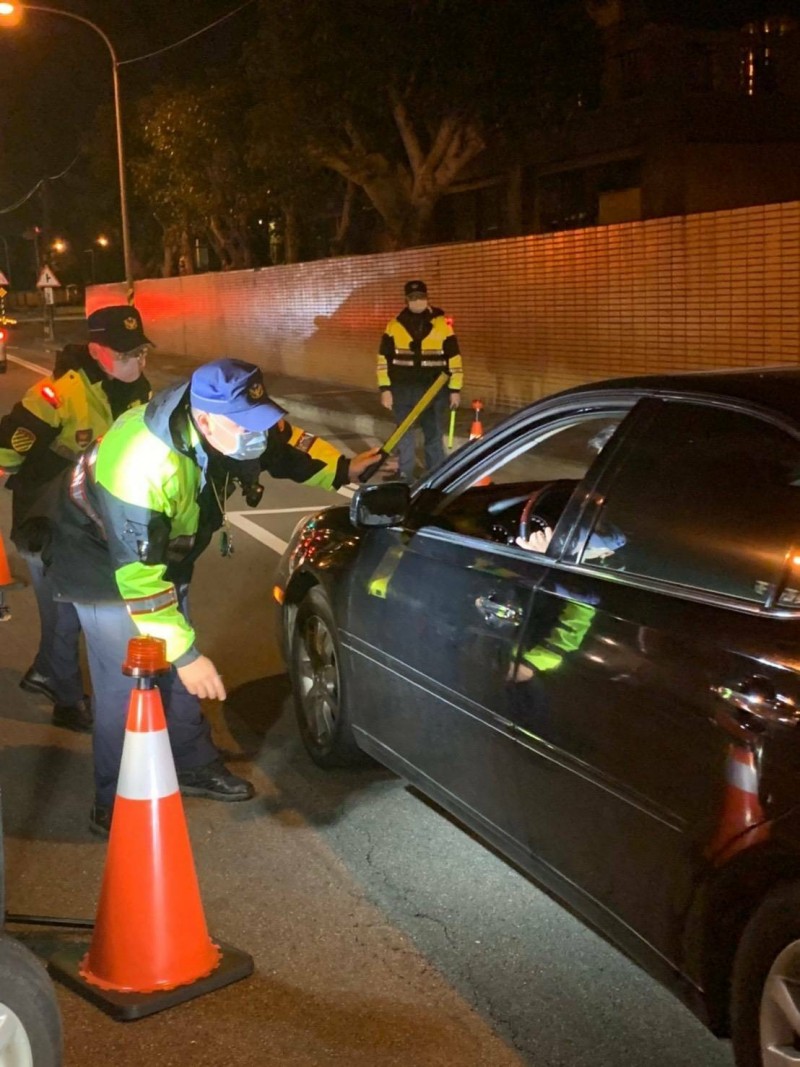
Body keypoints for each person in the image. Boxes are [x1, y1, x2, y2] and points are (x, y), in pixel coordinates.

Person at [48, 357, 381, 835]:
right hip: (102, 559)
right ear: (203, 421)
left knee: (183, 655)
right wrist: (184, 655)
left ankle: (191, 763)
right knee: (131, 680)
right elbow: (139, 579)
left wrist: (346, 467)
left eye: (260, 422)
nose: (257, 436)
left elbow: (285, 446)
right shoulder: (141, 462)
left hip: (162, 552)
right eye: (246, 426)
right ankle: (115, 798)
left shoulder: (230, 421)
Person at [0, 304, 153, 732]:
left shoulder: (141, 391)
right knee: (66, 611)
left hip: (94, 517)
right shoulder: (57, 395)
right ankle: (67, 699)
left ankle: (47, 672)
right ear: (96, 350)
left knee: (72, 610)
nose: (135, 362)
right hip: (47, 519)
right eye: (124, 354)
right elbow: (7, 445)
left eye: (140, 352)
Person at [376, 279, 463, 481]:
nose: (417, 301)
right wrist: (385, 389)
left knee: (433, 434)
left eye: (421, 297)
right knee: (404, 434)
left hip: (434, 389)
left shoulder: (442, 324)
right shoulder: (394, 325)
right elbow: (383, 360)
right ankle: (405, 473)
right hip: (402, 389)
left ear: (427, 298)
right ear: (406, 300)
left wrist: (455, 390)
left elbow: (455, 359)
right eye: (413, 298)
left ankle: (436, 474)